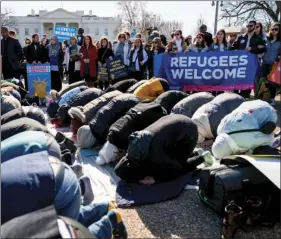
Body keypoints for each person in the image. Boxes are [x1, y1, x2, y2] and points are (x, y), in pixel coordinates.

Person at [114, 114, 214, 184]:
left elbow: (175, 169)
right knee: (168, 152)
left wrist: (156, 178)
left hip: (189, 133)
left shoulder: (155, 160)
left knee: (179, 167)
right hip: (174, 119)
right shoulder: (132, 149)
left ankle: (203, 157)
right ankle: (194, 153)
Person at [212, 100, 278, 159]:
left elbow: (268, 139)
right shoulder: (220, 129)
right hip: (252, 104)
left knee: (266, 134)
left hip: (269, 112)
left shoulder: (244, 142)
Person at [231, 20, 265, 99]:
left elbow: (263, 49)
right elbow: (233, 47)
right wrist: (233, 48)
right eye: (248, 26)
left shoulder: (258, 38)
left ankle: (245, 94)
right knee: (238, 76)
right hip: (240, 61)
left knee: (248, 77)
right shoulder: (241, 37)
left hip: (251, 62)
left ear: (254, 26)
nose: (249, 27)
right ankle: (235, 93)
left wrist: (252, 48)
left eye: (251, 26)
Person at [261, 22, 281, 105]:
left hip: (274, 64)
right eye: (272, 29)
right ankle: (262, 97)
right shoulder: (266, 39)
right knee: (263, 80)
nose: (274, 30)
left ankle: (272, 99)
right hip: (264, 62)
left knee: (272, 82)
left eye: (276, 29)